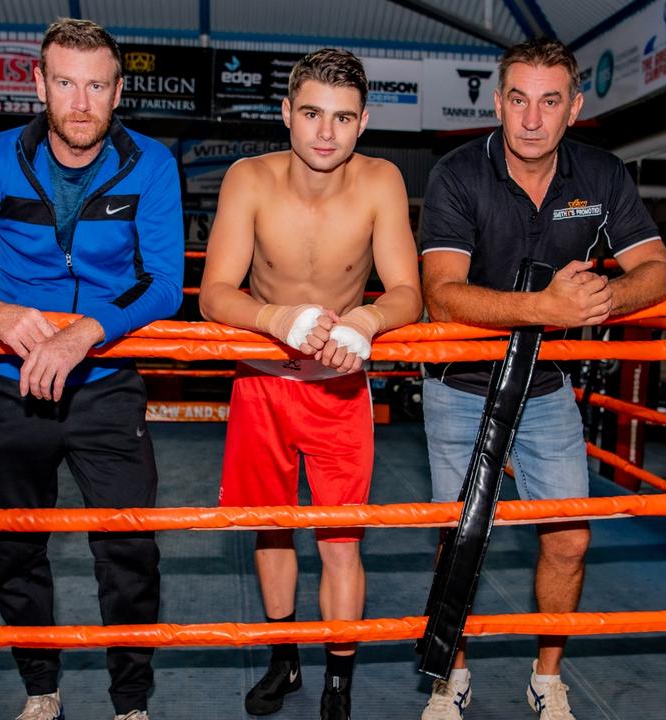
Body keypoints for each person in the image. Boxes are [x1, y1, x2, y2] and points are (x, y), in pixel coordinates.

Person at [0, 18, 183, 720]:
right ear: (38, 84)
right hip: (9, 385)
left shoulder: (149, 163)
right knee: (15, 548)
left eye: (96, 85)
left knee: (129, 551)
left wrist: (85, 332)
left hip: (105, 385)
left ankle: (129, 704)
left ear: (119, 92)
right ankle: (40, 690)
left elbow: (164, 284)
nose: (80, 102)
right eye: (65, 82)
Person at [418, 38, 666, 720]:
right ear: (499, 102)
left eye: (549, 101)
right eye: (518, 99)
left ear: (574, 108)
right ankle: (452, 675)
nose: (531, 119)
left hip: (543, 385)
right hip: (457, 382)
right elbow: (443, 294)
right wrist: (544, 308)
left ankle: (547, 675)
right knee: (458, 540)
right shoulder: (456, 174)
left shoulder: (600, 175)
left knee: (568, 536)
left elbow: (658, 269)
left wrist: (602, 302)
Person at [199, 49, 422, 720]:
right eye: (311, 114)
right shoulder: (249, 178)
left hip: (339, 387)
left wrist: (368, 318)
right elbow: (213, 294)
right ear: (286, 114)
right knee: (270, 532)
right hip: (261, 385)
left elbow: (409, 291)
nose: (326, 133)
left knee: (340, 538)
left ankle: (338, 678)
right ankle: (283, 661)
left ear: (362, 122)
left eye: (342, 118)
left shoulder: (381, 181)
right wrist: (275, 317)